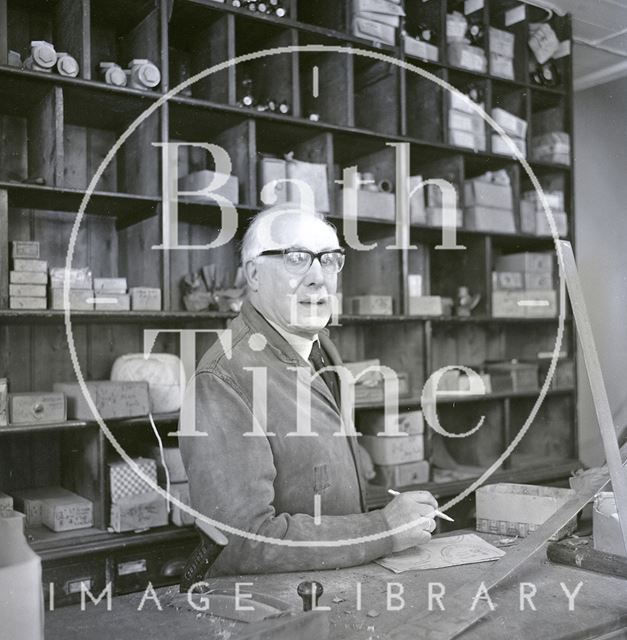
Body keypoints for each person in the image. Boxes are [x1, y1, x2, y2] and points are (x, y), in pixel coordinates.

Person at [179, 204, 438, 576]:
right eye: (296, 258)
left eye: (330, 260)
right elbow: (241, 542)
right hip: (275, 618)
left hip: (340, 590)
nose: (319, 278)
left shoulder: (321, 349)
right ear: (253, 274)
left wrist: (399, 517)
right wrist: (383, 528)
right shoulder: (224, 379)